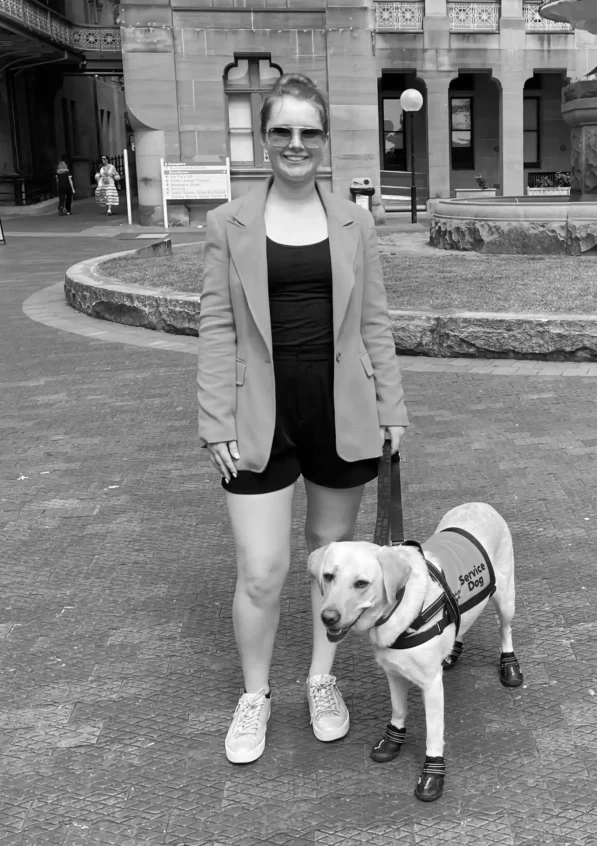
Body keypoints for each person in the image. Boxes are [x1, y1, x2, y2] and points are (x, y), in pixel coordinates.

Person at [197, 72, 410, 765]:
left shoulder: (356, 221)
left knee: (332, 560)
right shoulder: (226, 224)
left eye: (308, 131)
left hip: (341, 409)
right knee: (261, 568)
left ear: (325, 140)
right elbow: (216, 323)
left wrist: (393, 409)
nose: (295, 143)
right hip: (259, 412)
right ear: (265, 139)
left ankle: (321, 678)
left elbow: (375, 321)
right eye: (282, 131)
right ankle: (255, 694)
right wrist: (215, 419)